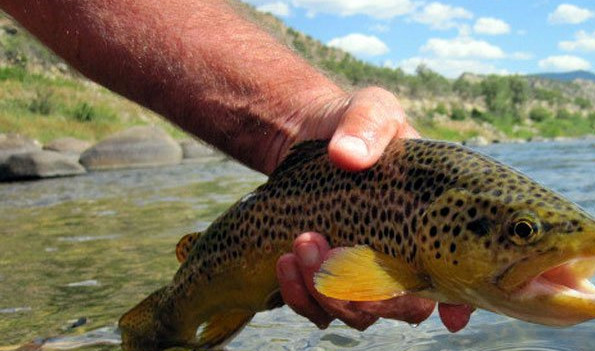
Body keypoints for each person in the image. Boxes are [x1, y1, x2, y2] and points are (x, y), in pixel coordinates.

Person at [0, 0, 473, 332]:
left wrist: (302, 117)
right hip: (211, 270)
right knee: (175, 322)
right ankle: (166, 324)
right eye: (521, 232)